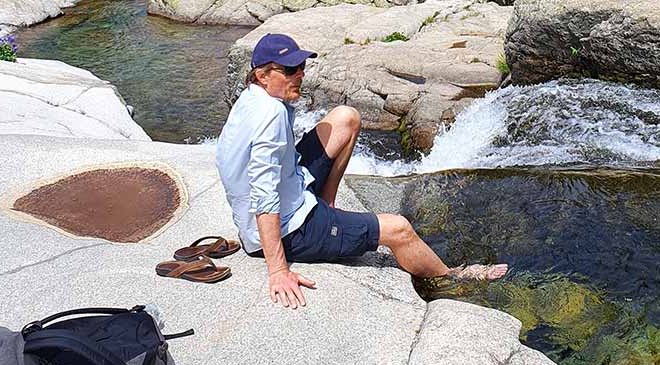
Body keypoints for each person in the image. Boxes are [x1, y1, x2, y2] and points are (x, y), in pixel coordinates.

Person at [216, 33, 507, 309]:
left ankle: (327, 205)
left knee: (346, 118)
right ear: (262, 75)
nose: (300, 74)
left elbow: (229, 163)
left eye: (301, 66)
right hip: (291, 229)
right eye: (291, 69)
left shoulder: (254, 99)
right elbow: (264, 195)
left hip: (292, 186)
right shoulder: (270, 115)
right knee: (399, 230)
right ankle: (452, 277)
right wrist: (278, 269)